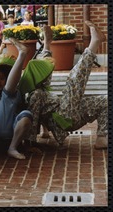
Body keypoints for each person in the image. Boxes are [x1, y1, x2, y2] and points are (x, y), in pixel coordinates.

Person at [25, 21, 108, 150]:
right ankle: (95, 42)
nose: (47, 75)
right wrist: (31, 142)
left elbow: (45, 70)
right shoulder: (34, 94)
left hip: (70, 112)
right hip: (62, 118)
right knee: (73, 83)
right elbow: (34, 114)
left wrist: (45, 132)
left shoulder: (42, 91)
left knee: (105, 100)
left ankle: (102, 137)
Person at [0, 37, 33, 159]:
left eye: (2, 78)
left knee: (26, 115)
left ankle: (13, 148)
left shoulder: (18, 93)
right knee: (7, 95)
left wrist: (28, 145)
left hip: (14, 128)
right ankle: (22, 54)